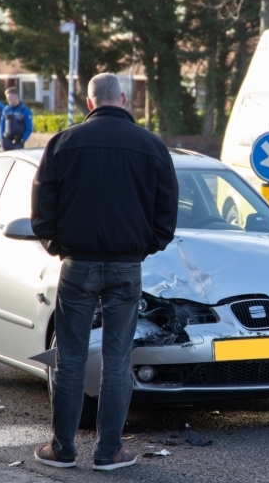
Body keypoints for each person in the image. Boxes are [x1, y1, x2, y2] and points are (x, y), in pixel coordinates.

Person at [31, 73, 178, 471]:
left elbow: (42, 207)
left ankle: (62, 449)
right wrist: (141, 248)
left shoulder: (63, 143)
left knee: (69, 358)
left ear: (90, 103)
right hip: (127, 265)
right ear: (124, 99)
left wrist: (57, 245)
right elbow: (166, 215)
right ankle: (109, 451)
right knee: (117, 359)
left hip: (76, 263)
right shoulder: (152, 146)